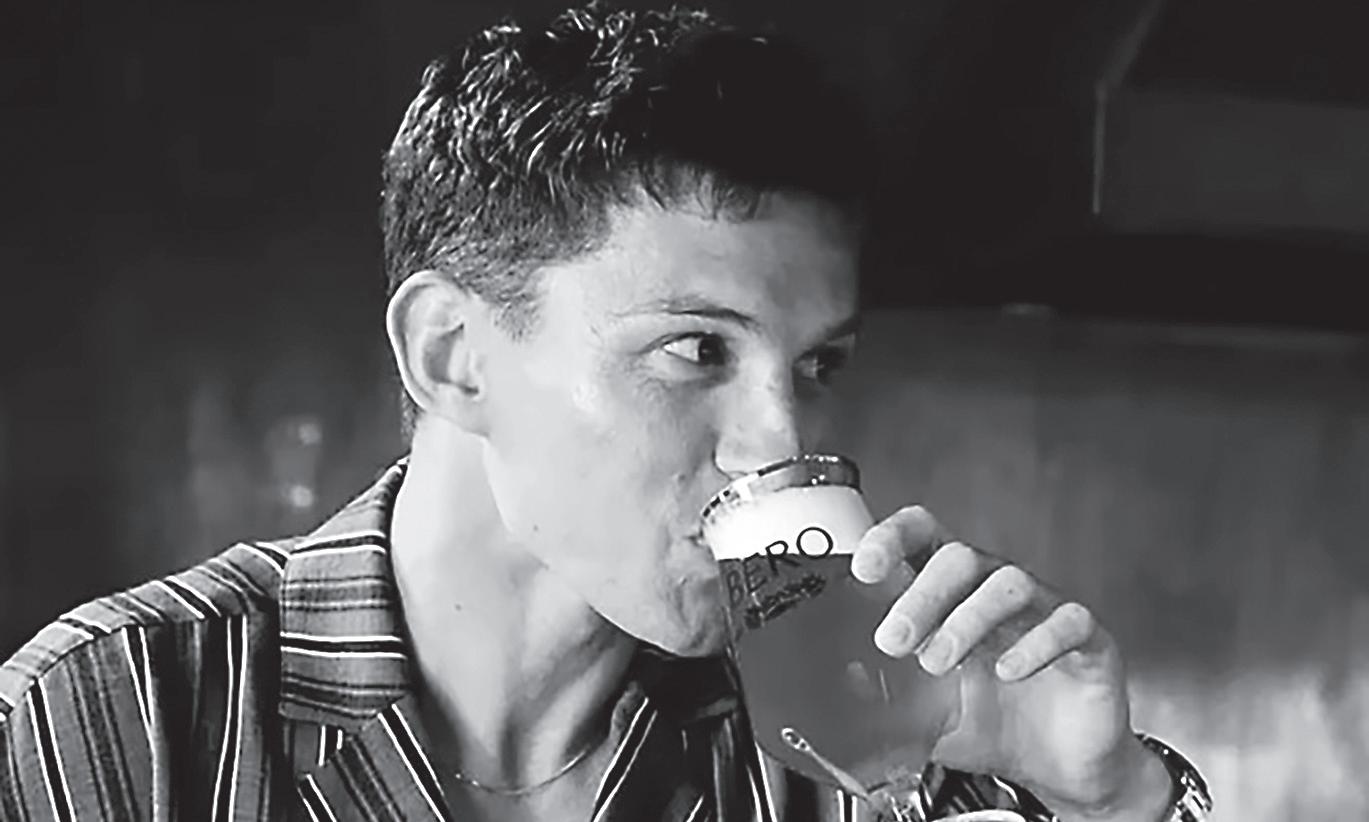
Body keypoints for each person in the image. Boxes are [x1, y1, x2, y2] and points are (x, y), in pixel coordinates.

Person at [0, 4, 1212, 820]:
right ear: (453, 356)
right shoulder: (122, 716)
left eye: (817, 364)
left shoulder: (853, 743)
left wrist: (1108, 800)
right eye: (694, 349)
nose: (781, 445)